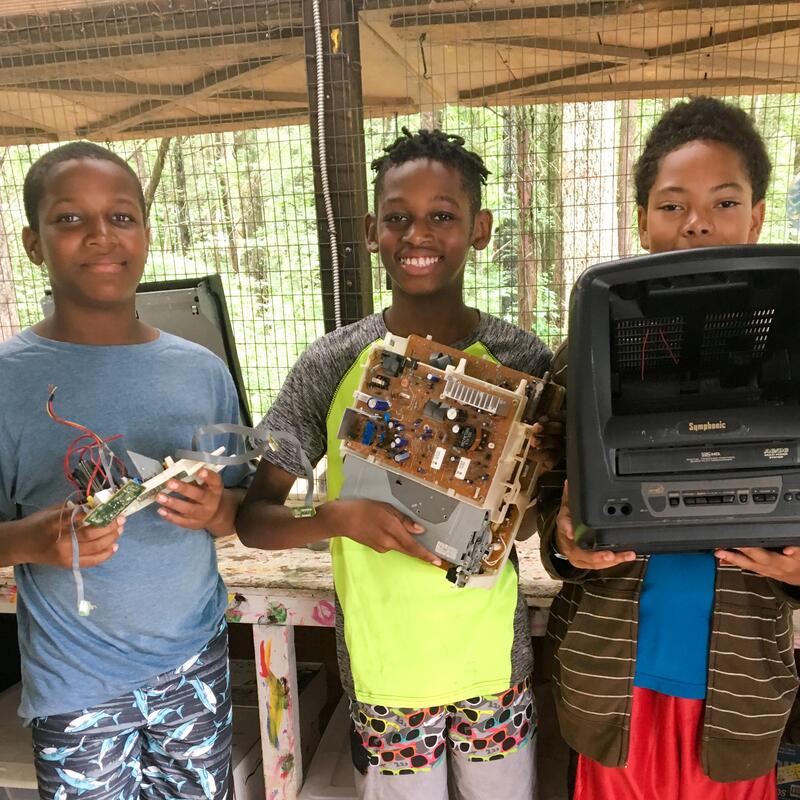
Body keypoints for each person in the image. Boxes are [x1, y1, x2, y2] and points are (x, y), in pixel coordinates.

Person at [237, 128, 557, 800]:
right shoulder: (334, 362)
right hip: (388, 677)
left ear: (479, 229)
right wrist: (337, 517)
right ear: (370, 231)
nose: (419, 234)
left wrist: (517, 497)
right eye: (398, 217)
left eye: (442, 215)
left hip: (491, 670)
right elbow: (255, 519)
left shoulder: (521, 361)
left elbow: (530, 524)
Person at [540, 96, 797, 799]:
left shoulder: (795, 350)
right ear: (643, 223)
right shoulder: (585, 352)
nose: (697, 223)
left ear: (758, 215)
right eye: (672, 204)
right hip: (614, 684)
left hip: (738, 695)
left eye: (724, 200)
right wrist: (566, 539)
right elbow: (545, 494)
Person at [0, 141, 250, 799]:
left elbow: (239, 507)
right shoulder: (9, 381)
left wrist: (217, 510)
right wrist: (34, 540)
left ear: (143, 231)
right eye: (69, 219)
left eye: (120, 216)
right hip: (76, 682)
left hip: (191, 666)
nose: (100, 236)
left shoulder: (200, 370)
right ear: (33, 243)